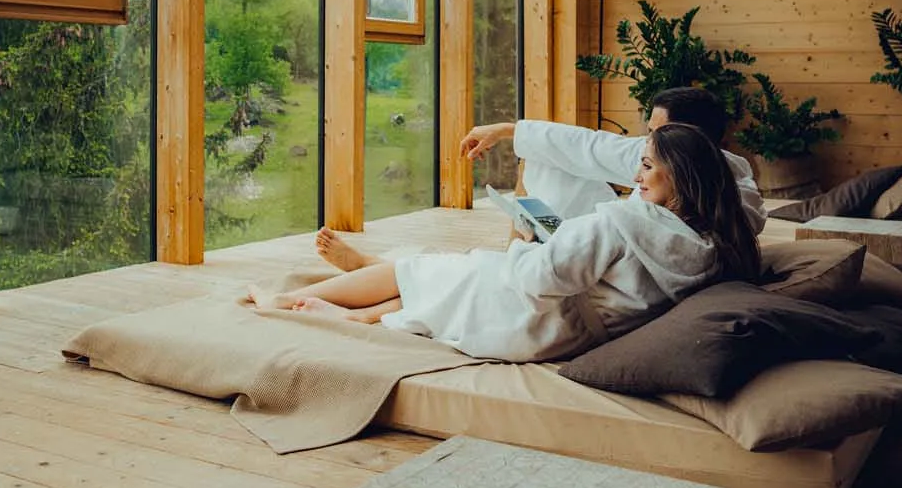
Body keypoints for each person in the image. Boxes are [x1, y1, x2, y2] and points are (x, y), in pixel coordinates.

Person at [248, 124, 760, 363]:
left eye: (646, 165)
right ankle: (364, 307)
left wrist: (527, 243)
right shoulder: (713, 244)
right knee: (450, 273)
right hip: (579, 332)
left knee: (431, 268)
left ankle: (296, 300)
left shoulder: (622, 222)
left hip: (535, 325)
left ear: (681, 175)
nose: (636, 174)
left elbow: (533, 280)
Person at [459, 86, 766, 233]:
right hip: (598, 243)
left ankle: (520, 251)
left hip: (604, 258)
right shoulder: (663, 158)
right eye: (649, 133)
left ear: (690, 138)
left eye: (659, 134)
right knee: (543, 155)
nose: (649, 144)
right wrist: (508, 131)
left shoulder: (730, 200)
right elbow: (590, 146)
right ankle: (523, 243)